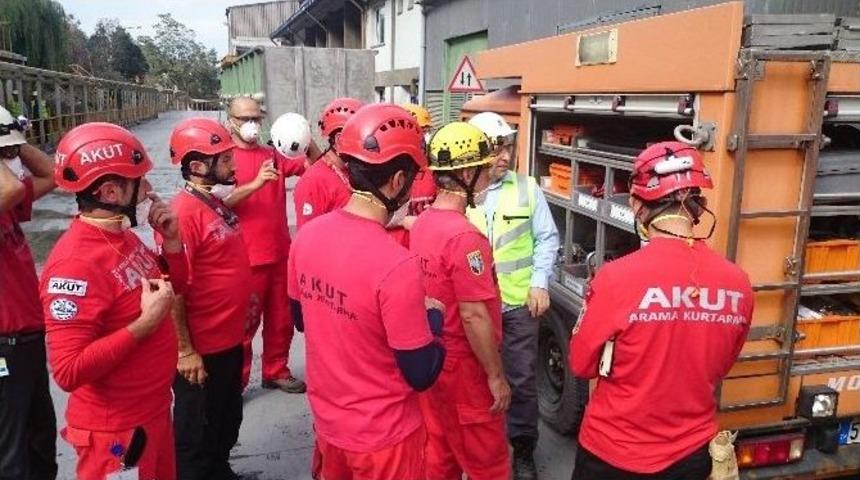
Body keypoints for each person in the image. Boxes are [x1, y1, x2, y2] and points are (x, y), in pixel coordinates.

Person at [569, 141, 754, 480]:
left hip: (613, 452)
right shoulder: (738, 282)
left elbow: (581, 364)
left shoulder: (615, 278)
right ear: (699, 207)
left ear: (638, 206)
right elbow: (721, 364)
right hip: (691, 455)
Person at [287, 104, 444, 480]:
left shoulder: (307, 235)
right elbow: (421, 373)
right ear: (396, 182)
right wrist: (434, 317)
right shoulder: (396, 265)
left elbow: (300, 319)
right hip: (384, 441)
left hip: (329, 427)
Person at [41, 122, 188, 480]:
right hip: (117, 435)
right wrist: (143, 326)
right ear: (110, 191)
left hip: (151, 412)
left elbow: (171, 290)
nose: (149, 190)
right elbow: (68, 371)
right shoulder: (75, 265)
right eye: (138, 181)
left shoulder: (122, 238)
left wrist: (171, 244)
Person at [410, 121, 512, 480]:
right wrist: (496, 377)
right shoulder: (466, 238)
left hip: (434, 356)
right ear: (467, 172)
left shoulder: (422, 224)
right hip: (465, 367)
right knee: (489, 463)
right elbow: (473, 316)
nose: (489, 176)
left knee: (441, 453)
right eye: (484, 169)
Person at [466, 111, 559, 480]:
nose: (505, 156)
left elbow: (547, 239)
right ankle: (477, 450)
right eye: (496, 149)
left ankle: (522, 449)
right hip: (473, 307)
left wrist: (540, 282)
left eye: (507, 147)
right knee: (476, 379)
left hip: (517, 304)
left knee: (520, 380)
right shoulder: (463, 190)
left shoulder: (527, 188)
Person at [167, 118, 252, 480]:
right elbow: (174, 286)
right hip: (202, 350)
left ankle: (221, 471)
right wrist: (186, 349)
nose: (233, 165)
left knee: (225, 419)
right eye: (226, 158)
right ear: (199, 167)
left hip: (229, 340)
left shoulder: (212, 204)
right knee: (195, 434)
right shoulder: (184, 214)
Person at [224, 97, 307, 393]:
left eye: (256, 119)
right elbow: (218, 203)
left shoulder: (273, 154)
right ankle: (237, 381)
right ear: (230, 118)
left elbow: (312, 165)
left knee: (281, 319)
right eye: (244, 118)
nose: (251, 125)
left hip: (280, 253)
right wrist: (255, 184)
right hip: (246, 259)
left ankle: (275, 369)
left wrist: (304, 134)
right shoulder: (223, 158)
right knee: (245, 326)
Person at [0, 105, 58, 480]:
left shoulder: (7, 207)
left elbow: (53, 174)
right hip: (3, 347)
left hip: (29, 340)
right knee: (10, 452)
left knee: (40, 440)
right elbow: (8, 188)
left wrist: (15, 141)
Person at [292, 97, 363, 229]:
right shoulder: (313, 182)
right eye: (361, 137)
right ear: (339, 139)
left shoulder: (352, 171)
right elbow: (308, 241)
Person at [400, 103, 437, 215]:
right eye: (420, 131)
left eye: (426, 131)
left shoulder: (434, 172)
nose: (424, 137)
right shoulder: (381, 176)